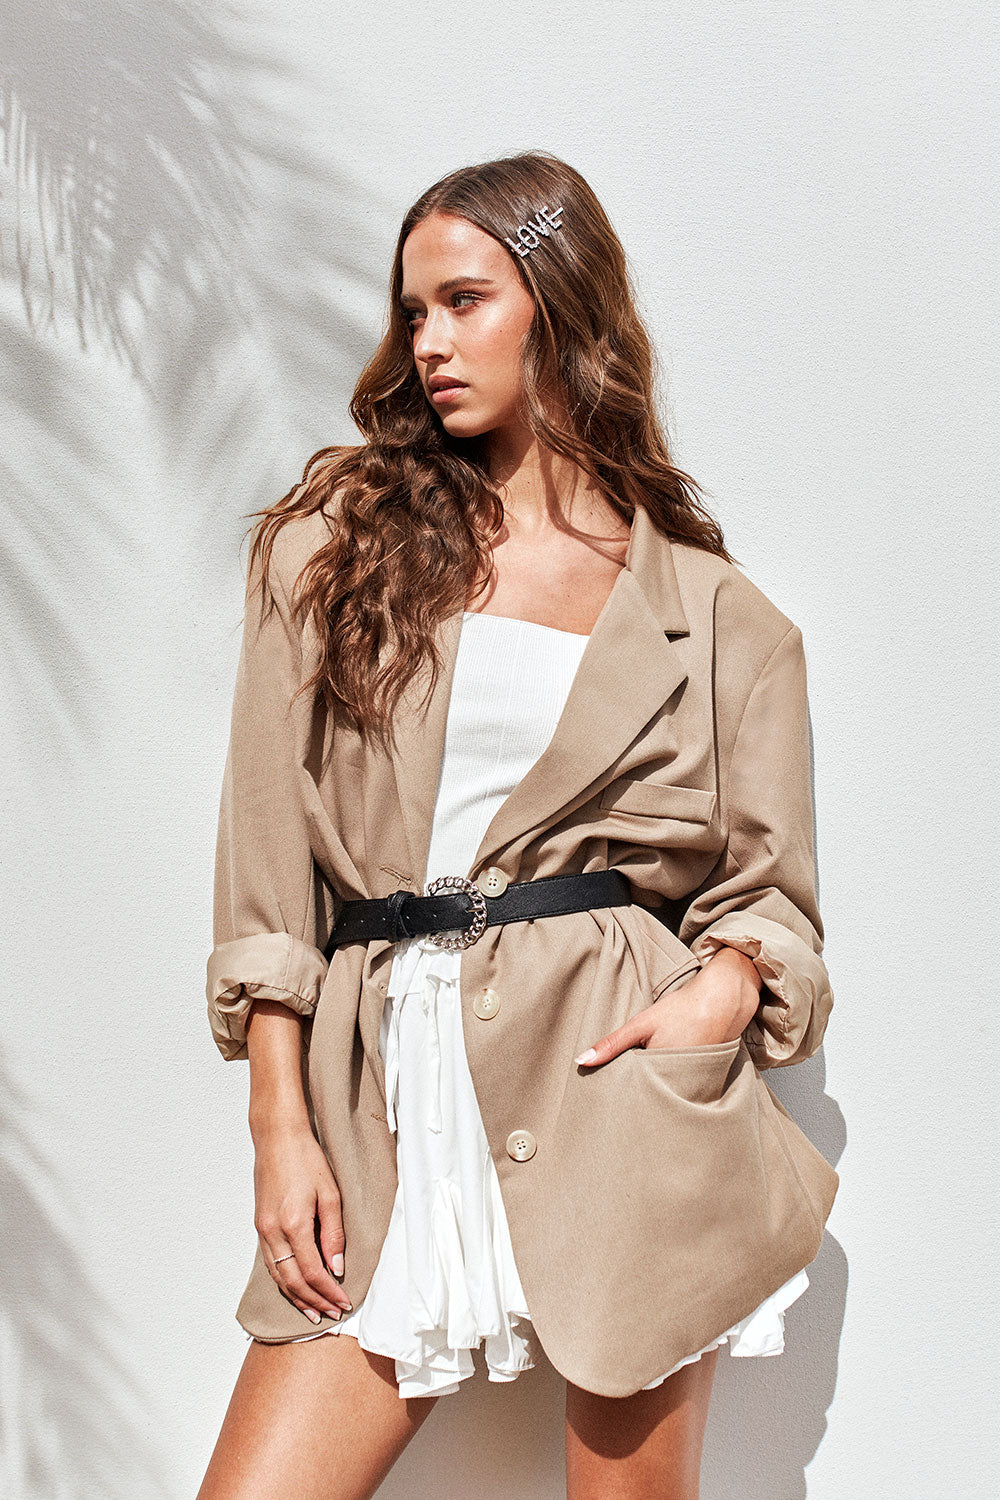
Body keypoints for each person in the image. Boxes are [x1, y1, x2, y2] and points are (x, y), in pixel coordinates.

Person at [197, 150, 838, 1500]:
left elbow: (770, 898)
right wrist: (279, 1124)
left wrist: (719, 995)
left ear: (561, 305)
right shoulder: (332, 551)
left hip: (621, 1099)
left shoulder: (720, 619)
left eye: (464, 301)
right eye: (412, 311)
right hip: (378, 1100)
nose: (427, 343)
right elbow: (267, 866)